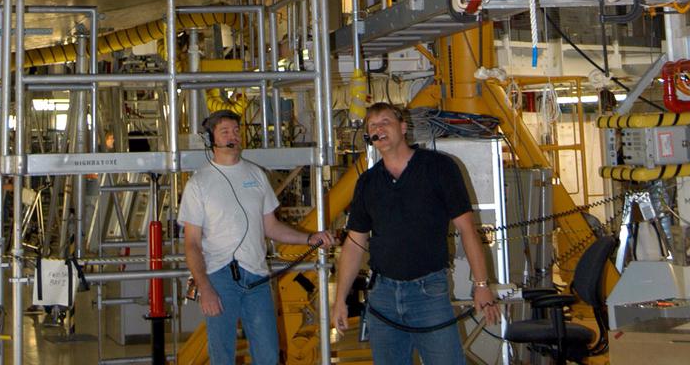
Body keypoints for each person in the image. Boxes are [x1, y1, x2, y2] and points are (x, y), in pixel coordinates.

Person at [331, 103, 501, 365]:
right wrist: (340, 299)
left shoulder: (439, 168)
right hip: (382, 296)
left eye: (385, 122)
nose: (379, 129)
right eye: (373, 126)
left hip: (428, 294)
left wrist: (481, 285)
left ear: (402, 127)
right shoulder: (367, 183)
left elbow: (467, 229)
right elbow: (354, 243)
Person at [179, 109, 334, 365]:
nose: (233, 136)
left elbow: (271, 227)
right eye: (225, 131)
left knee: (268, 354)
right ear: (211, 140)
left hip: (257, 276)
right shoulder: (199, 183)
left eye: (237, 131)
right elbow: (192, 243)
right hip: (219, 277)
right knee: (222, 355)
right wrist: (204, 287)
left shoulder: (256, 175)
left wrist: (310, 239)